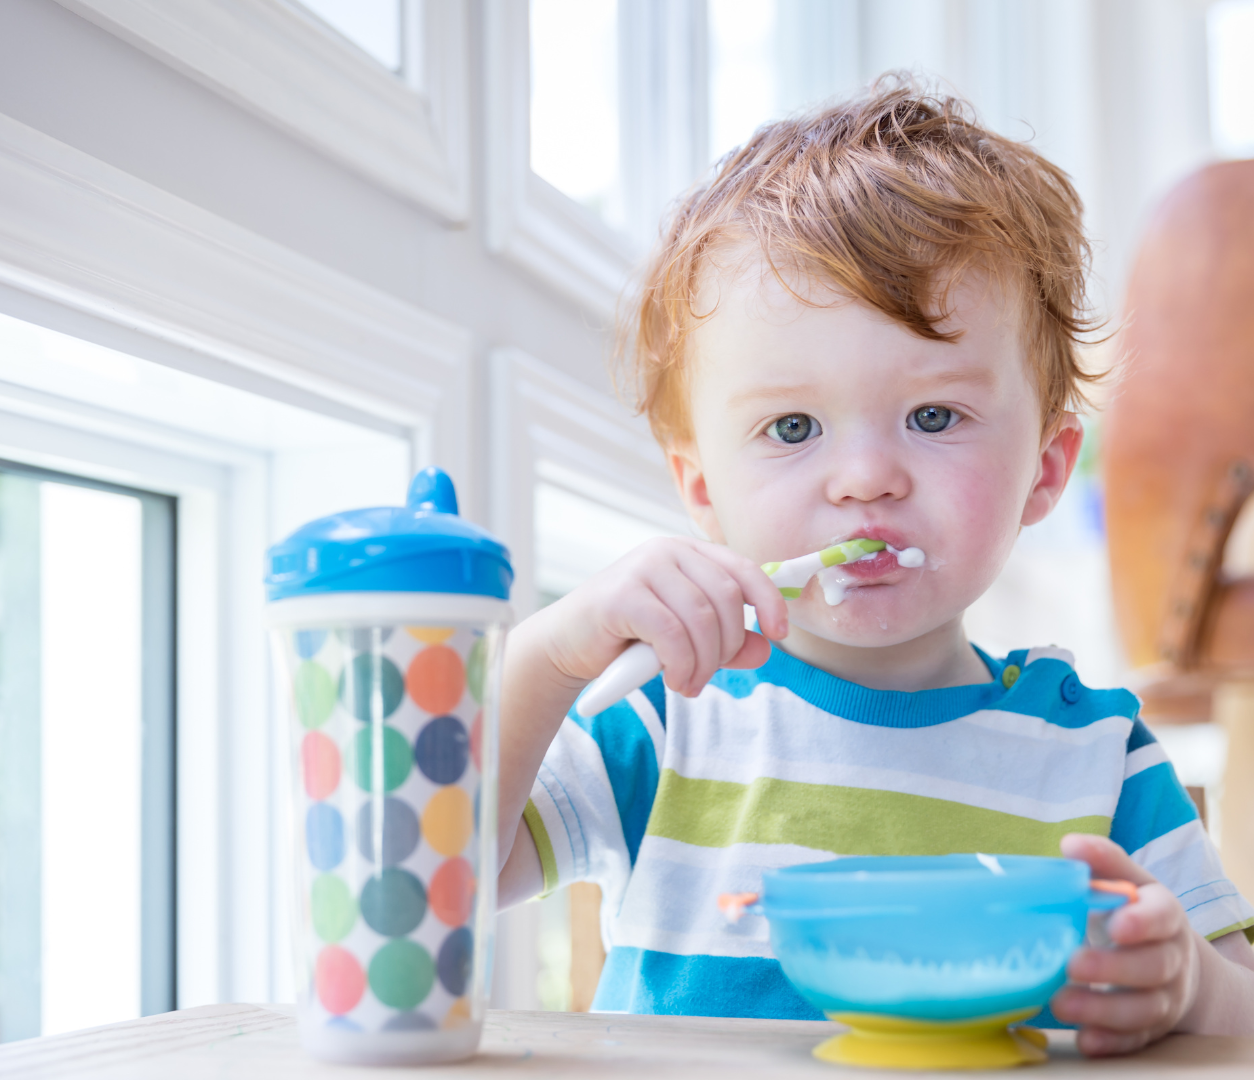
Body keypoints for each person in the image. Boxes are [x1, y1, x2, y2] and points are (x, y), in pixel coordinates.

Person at [493, 78, 1254, 1055]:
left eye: (932, 417)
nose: (862, 480)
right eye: (791, 426)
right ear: (701, 490)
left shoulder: (1097, 758)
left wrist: (1189, 987)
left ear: (1044, 469)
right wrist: (552, 656)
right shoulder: (661, 718)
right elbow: (426, 875)